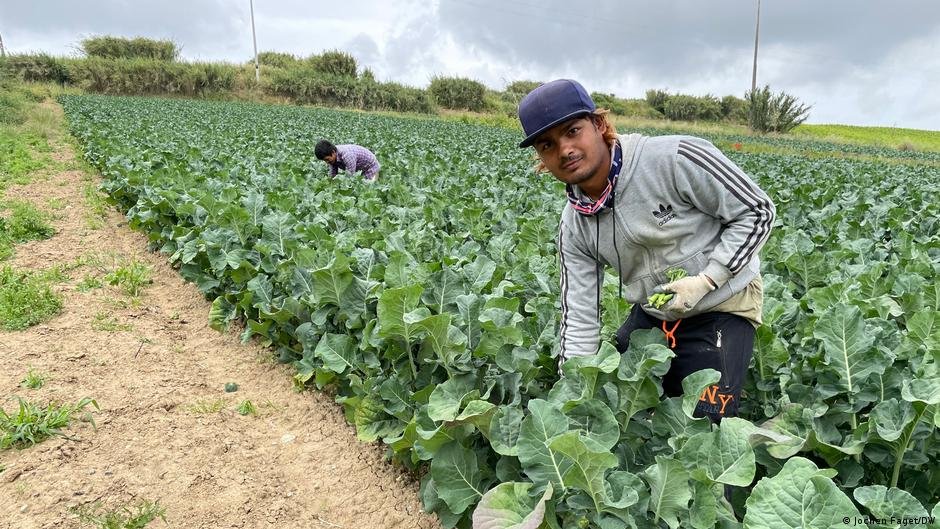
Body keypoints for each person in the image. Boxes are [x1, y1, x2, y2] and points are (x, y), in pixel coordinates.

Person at [517, 79, 776, 423]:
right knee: (612, 401)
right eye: (548, 145)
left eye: (573, 131)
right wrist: (574, 397)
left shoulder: (674, 158)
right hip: (655, 312)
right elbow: (579, 314)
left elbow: (758, 211)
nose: (565, 150)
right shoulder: (574, 225)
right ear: (541, 158)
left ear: (599, 124)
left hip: (723, 303)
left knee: (705, 429)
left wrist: (707, 280)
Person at [314, 140, 381, 181]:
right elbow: (333, 174)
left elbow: (350, 177)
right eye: (324, 160)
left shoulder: (347, 155)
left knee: (370, 189)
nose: (327, 162)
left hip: (371, 168)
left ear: (333, 152)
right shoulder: (332, 157)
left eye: (327, 159)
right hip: (360, 170)